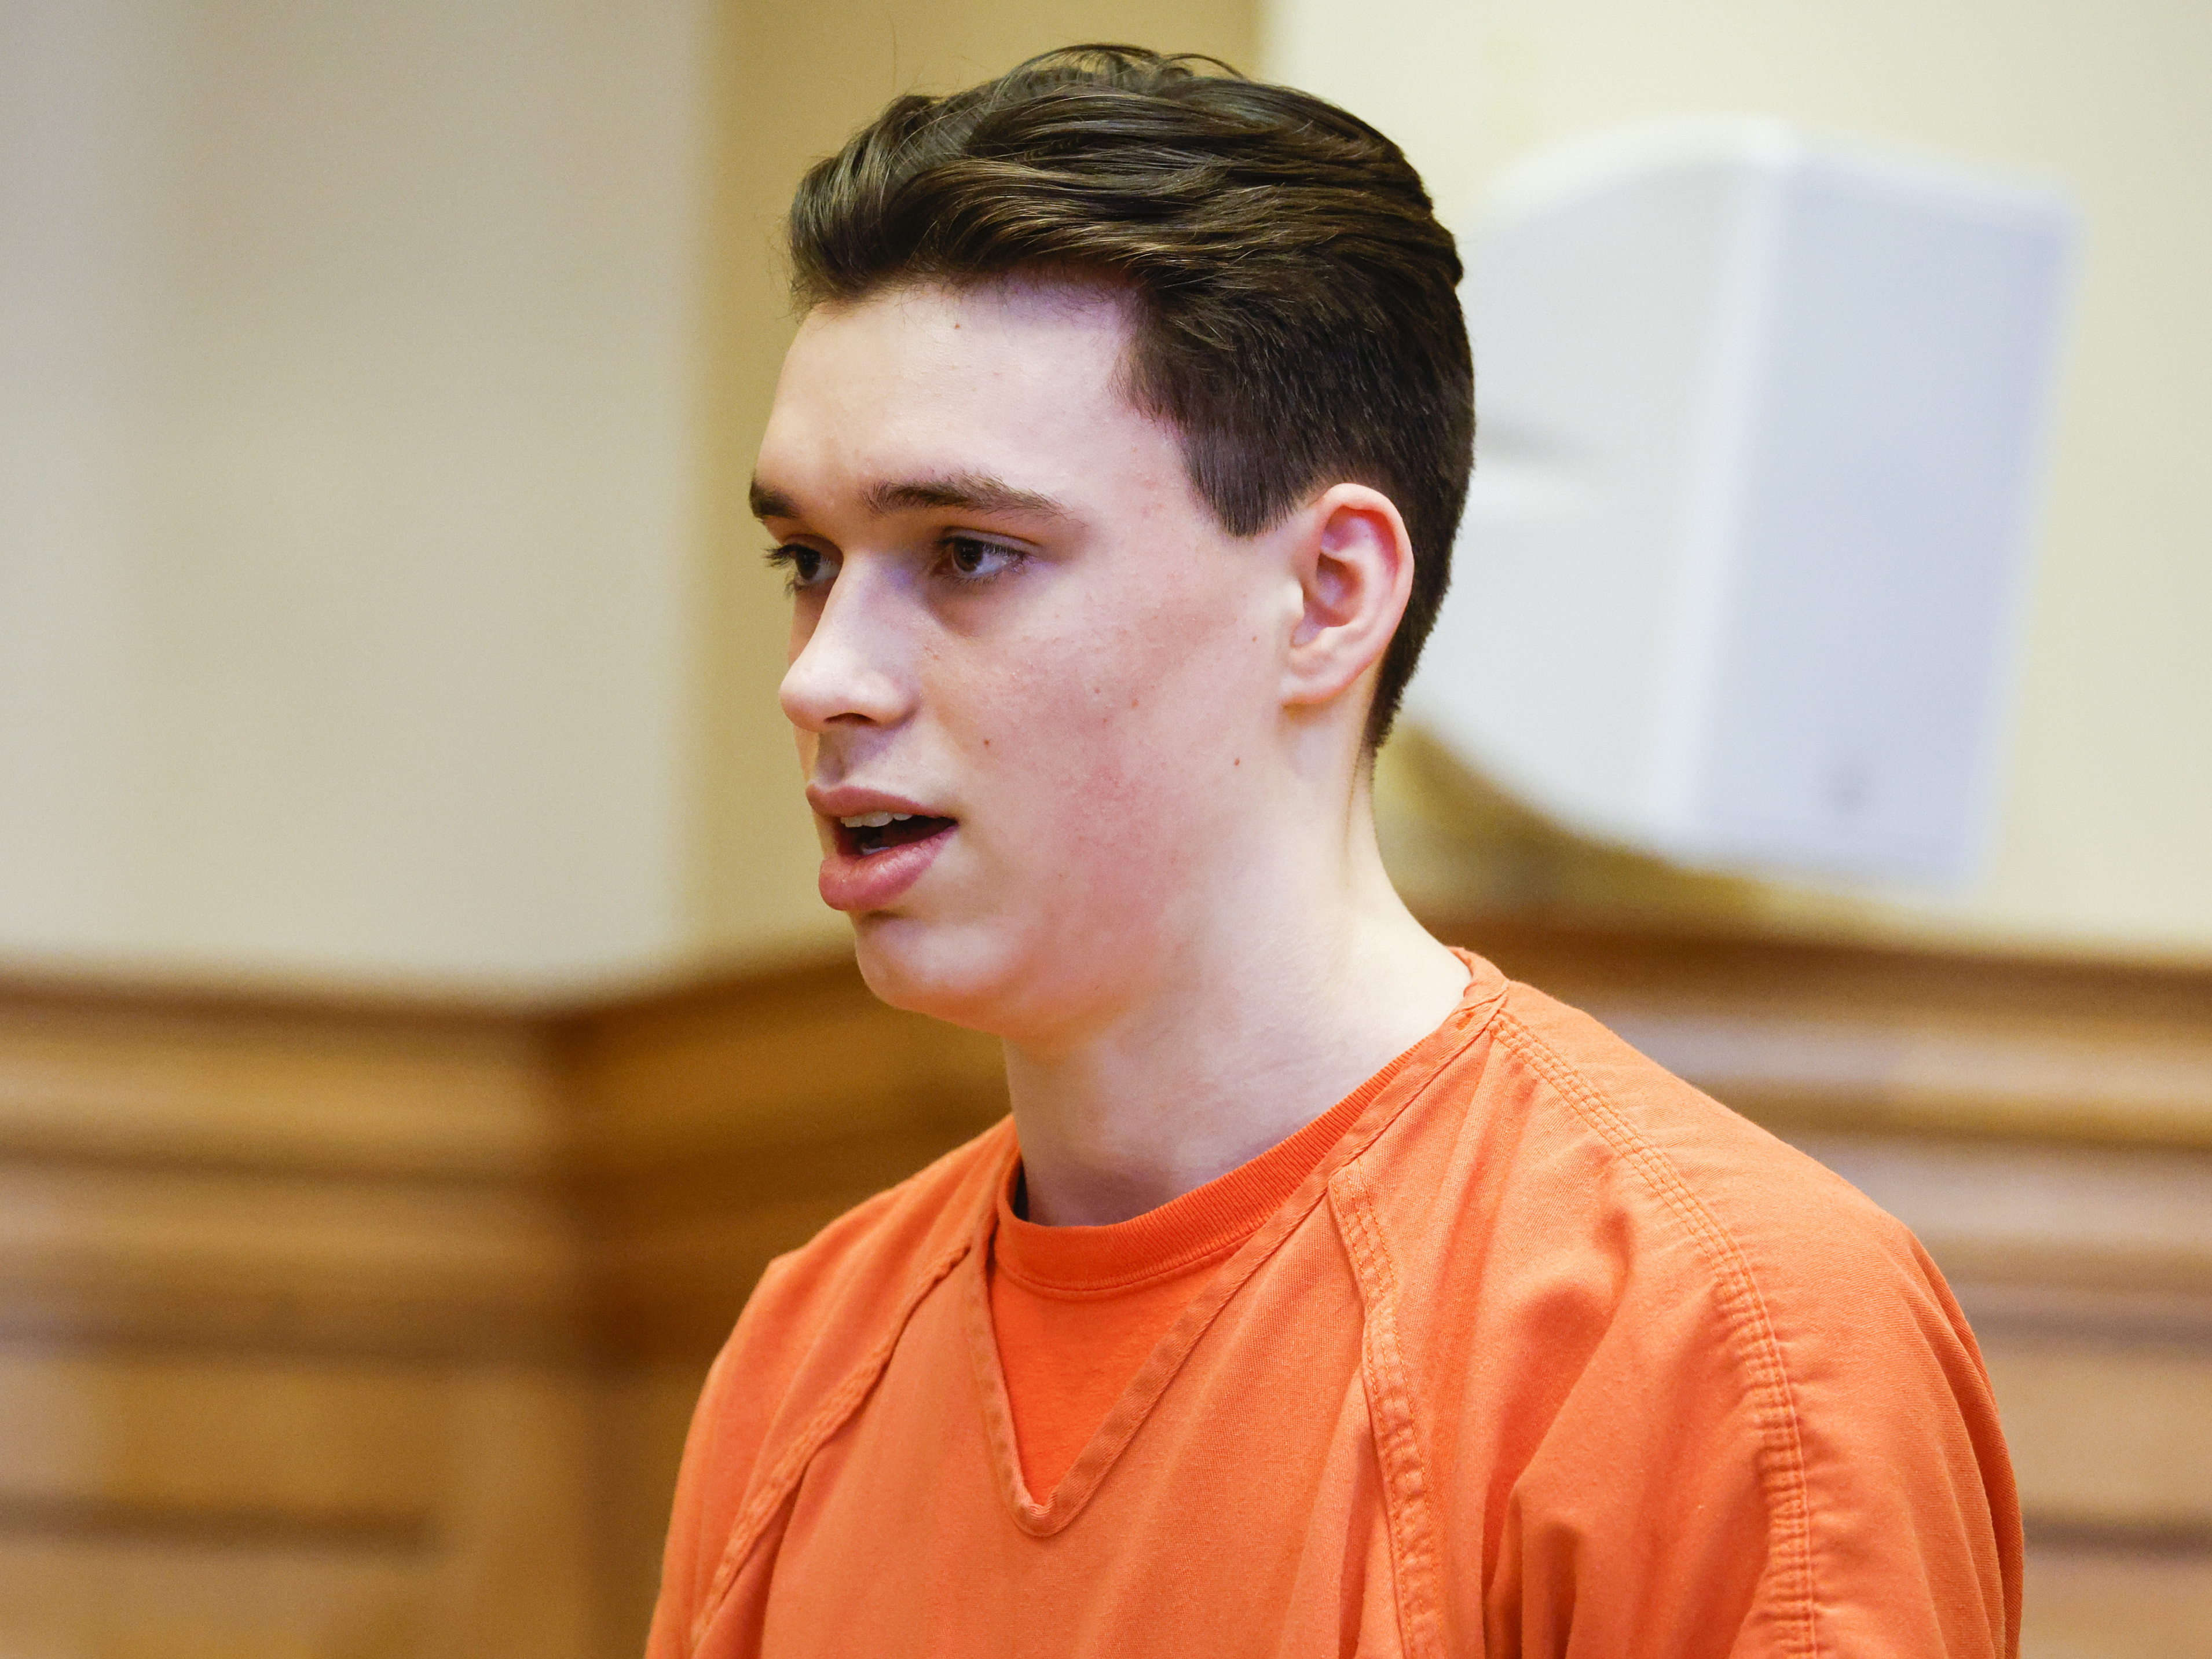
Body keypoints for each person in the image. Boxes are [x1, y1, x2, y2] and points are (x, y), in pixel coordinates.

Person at [649, 45, 2020, 1658]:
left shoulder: (1719, 1333)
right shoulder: (807, 1349)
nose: (821, 675)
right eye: (804, 559)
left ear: (1328, 595)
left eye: (966, 553)